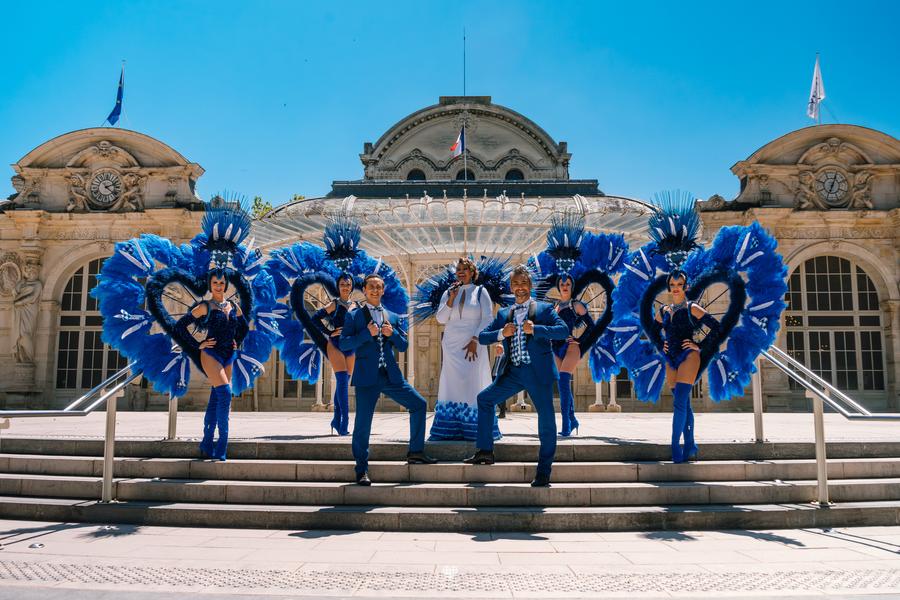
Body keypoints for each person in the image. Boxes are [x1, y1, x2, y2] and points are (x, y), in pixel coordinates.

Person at [464, 265, 568, 487]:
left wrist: (538, 329)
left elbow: (563, 331)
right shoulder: (504, 314)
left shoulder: (544, 310)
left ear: (529, 286)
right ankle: (485, 451)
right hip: (513, 372)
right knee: (485, 399)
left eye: (523, 283)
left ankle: (543, 471)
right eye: (516, 284)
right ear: (511, 287)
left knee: (547, 419)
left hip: (537, 373)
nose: (519, 288)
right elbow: (482, 338)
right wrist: (502, 333)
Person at [340, 274, 437, 485]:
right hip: (367, 377)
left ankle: (416, 452)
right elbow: (344, 344)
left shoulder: (392, 316)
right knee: (363, 424)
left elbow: (403, 346)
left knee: (419, 404)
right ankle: (361, 469)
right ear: (364, 291)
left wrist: (392, 334)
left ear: (383, 290)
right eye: (371, 287)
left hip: (390, 375)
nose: (375, 290)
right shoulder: (354, 316)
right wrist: (366, 333)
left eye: (378, 287)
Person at [175, 269, 249, 461]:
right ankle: (221, 446)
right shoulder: (205, 306)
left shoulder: (233, 305)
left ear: (226, 285)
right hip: (211, 354)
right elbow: (180, 326)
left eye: (222, 283)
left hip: (229, 355)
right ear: (210, 284)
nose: (218, 286)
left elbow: (245, 327)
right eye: (215, 283)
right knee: (225, 393)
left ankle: (207, 442)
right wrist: (197, 344)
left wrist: (237, 341)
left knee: (216, 398)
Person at [654, 270, 719, 463]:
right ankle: (690, 444)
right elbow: (652, 329)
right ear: (669, 287)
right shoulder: (663, 310)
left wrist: (699, 346)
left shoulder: (692, 307)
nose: (675, 288)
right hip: (670, 359)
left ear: (685, 286)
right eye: (672, 285)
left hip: (689, 356)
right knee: (684, 405)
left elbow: (716, 327)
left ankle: (675, 446)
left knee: (679, 403)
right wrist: (661, 345)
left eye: (679, 284)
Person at [430, 258, 497, 441]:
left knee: (472, 382)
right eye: (458, 269)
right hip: (451, 345)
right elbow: (441, 319)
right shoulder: (448, 292)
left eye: (465, 269)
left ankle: (475, 428)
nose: (460, 272)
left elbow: (488, 319)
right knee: (452, 384)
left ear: (472, 272)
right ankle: (450, 427)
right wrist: (451, 299)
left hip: (474, 343)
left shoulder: (481, 292)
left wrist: (475, 338)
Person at [311, 273, 359, 436]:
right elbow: (315, 318)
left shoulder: (357, 306)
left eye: (348, 284)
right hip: (336, 345)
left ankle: (335, 420)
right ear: (338, 287)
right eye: (342, 284)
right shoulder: (334, 304)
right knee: (342, 383)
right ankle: (344, 424)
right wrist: (329, 331)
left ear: (352, 286)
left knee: (344, 383)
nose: (345, 287)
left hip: (351, 346)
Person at [551, 275, 594, 436]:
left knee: (563, 383)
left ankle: (566, 425)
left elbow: (591, 325)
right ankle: (573, 419)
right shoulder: (555, 306)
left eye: (568, 284)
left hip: (570, 347)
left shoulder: (576, 305)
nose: (564, 286)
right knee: (564, 387)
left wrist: (579, 340)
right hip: (556, 347)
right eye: (562, 284)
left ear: (572, 286)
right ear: (558, 286)